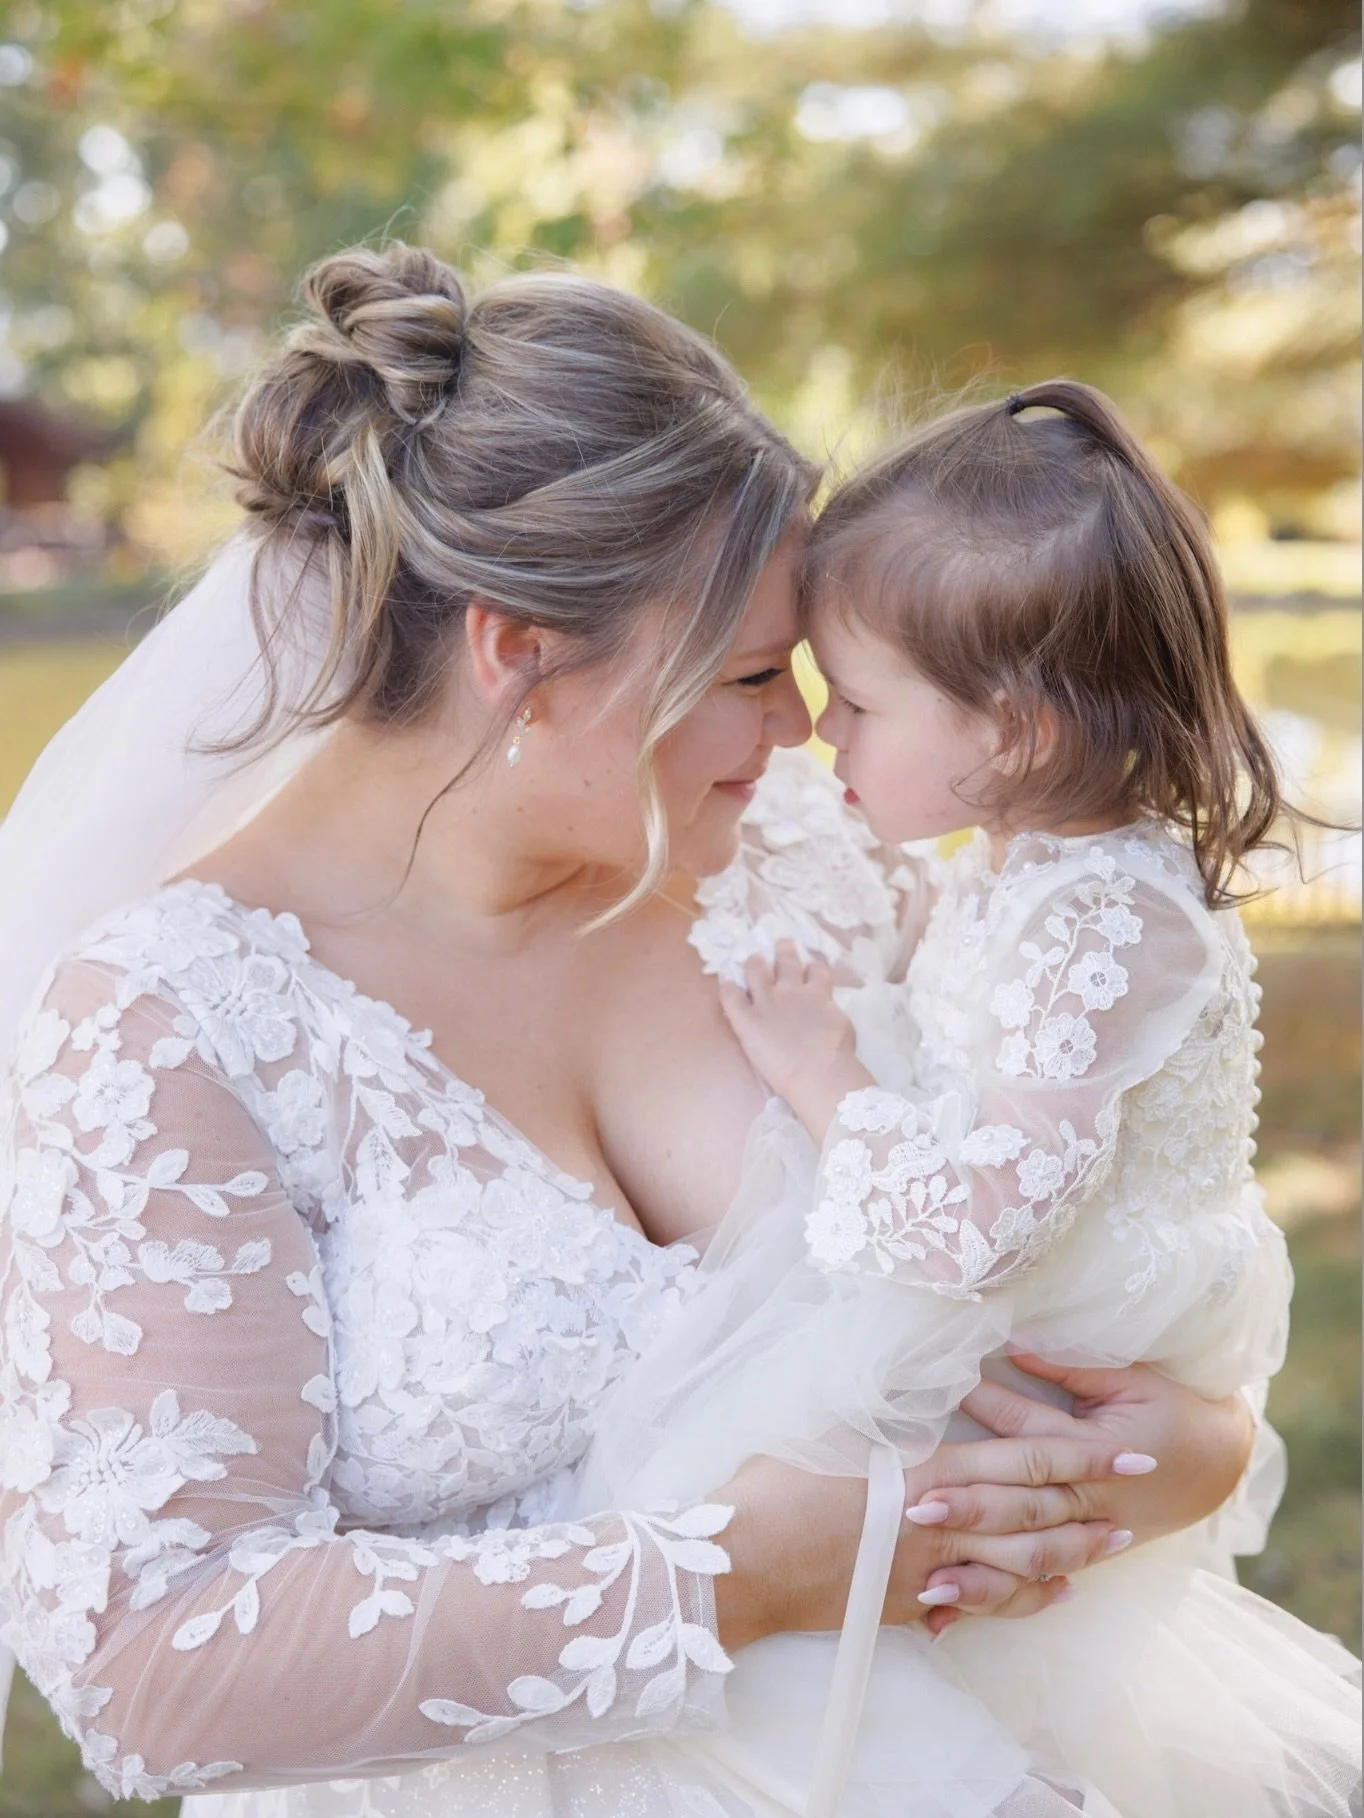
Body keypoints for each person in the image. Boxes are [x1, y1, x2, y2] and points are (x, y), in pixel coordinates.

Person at [0, 248, 1260, 1818]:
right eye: (747, 673)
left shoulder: (804, 852)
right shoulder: (175, 1022)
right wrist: (741, 1575)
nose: (802, 727)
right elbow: (156, 1665)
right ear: (522, 655)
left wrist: (1186, 1445)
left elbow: (1069, 1214)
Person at [593, 380, 1358, 1814]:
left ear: (1007, 733)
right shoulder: (1029, 858)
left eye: (861, 698)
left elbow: (975, 1231)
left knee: (744, 1498)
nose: (822, 730)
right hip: (1038, 1303)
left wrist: (822, 1067)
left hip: (1060, 1325)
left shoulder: (1111, 918)